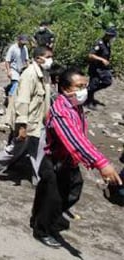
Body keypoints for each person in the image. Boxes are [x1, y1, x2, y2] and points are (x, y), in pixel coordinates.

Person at [30, 67, 122, 248]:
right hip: (55, 161)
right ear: (65, 89)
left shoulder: (74, 105)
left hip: (67, 161)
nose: (83, 90)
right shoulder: (61, 111)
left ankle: (46, 218)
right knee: (53, 198)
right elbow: (75, 140)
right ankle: (42, 230)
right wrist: (102, 163)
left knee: (70, 190)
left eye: (85, 86)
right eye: (79, 86)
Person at [0, 47, 53, 186]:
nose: (51, 60)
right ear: (39, 58)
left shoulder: (43, 74)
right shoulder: (30, 75)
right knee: (17, 148)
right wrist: (22, 125)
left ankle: (39, 180)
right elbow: (23, 101)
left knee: (38, 149)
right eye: (48, 56)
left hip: (38, 121)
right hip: (28, 121)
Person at [85, 27, 117, 110]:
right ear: (108, 35)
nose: (112, 38)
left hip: (103, 69)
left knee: (108, 81)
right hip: (95, 68)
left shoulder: (107, 43)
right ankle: (89, 102)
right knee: (93, 84)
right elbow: (90, 55)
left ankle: (89, 92)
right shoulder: (99, 43)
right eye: (112, 36)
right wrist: (102, 59)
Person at [4, 35, 29, 99]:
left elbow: (26, 60)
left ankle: (10, 90)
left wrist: (28, 69)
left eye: (25, 43)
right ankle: (10, 97)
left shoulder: (25, 48)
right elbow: (7, 60)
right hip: (13, 69)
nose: (24, 44)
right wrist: (8, 71)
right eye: (23, 43)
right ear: (19, 40)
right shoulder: (13, 48)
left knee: (22, 85)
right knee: (16, 83)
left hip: (21, 69)